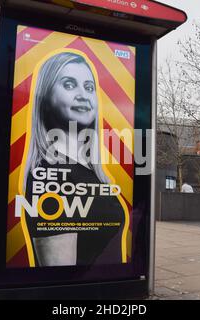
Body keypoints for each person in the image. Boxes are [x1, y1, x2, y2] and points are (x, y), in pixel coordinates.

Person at [21, 51, 126, 267]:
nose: (83, 95)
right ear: (45, 98)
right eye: (69, 85)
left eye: (89, 88)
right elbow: (59, 278)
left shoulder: (88, 168)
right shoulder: (49, 173)